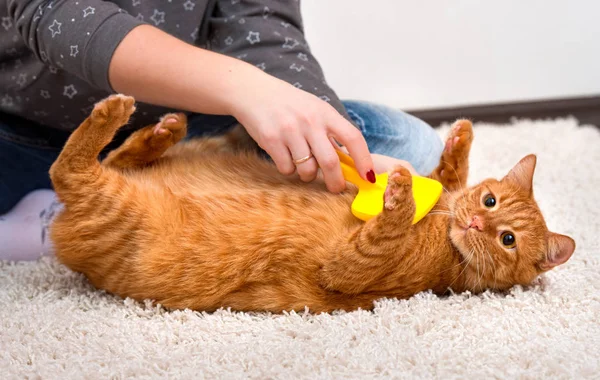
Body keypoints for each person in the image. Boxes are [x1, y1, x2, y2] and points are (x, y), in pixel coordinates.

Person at [0, 0, 444, 260]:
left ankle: (111, 204)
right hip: (26, 132)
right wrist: (241, 85)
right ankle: (79, 215)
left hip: (178, 127)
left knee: (409, 143)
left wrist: (323, 135)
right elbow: (58, 16)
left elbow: (263, 25)